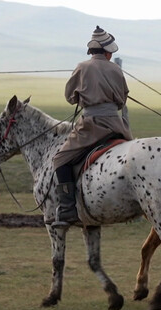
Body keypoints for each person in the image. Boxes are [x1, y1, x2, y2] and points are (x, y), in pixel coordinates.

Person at [51, 26, 133, 228]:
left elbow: (71, 97)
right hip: (116, 125)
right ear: (108, 52)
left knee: (60, 160)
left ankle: (68, 208)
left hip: (91, 127)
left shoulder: (81, 67)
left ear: (91, 51)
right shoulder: (116, 69)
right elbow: (122, 100)